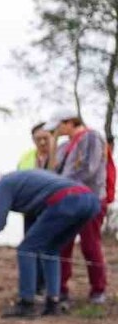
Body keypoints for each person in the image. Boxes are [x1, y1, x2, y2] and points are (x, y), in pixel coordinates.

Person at [0, 165, 100, 318]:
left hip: (66, 200)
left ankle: (26, 303)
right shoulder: (19, 180)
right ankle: (53, 302)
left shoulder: (2, 187)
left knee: (25, 250)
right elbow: (32, 219)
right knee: (50, 250)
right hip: (89, 200)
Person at [44, 109, 109, 304]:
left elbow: (88, 169)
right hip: (67, 201)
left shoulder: (92, 137)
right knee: (63, 245)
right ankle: (60, 288)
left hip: (90, 199)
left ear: (69, 122)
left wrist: (60, 184)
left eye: (59, 127)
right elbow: (53, 169)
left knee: (90, 245)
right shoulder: (64, 146)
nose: (57, 131)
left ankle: (98, 289)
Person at [17, 122, 57, 296]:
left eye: (45, 138)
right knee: (30, 247)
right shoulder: (26, 157)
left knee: (49, 249)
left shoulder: (60, 156)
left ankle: (51, 287)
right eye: (37, 139)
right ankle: (34, 285)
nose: (42, 143)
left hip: (53, 210)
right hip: (31, 209)